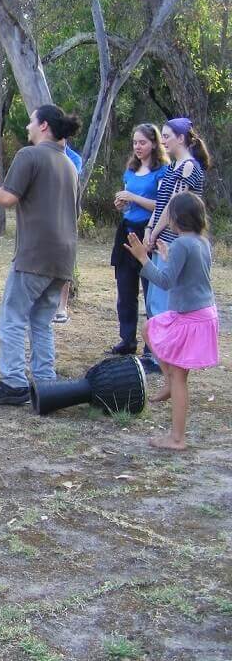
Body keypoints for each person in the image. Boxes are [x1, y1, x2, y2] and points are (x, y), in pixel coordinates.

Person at [0, 105, 80, 405]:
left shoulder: (29, 155)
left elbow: (7, 198)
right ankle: (46, 383)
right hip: (64, 257)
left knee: (11, 318)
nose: (28, 127)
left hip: (34, 255)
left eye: (31, 122)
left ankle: (14, 382)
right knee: (41, 321)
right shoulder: (70, 165)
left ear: (44, 125)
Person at [124, 192, 218, 450]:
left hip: (190, 318)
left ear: (177, 219)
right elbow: (188, 273)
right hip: (201, 315)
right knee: (150, 328)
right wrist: (166, 257)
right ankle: (167, 383)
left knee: (180, 378)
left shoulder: (182, 244)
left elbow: (166, 281)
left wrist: (143, 257)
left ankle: (177, 438)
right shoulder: (201, 242)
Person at [108, 124, 169, 355]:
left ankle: (152, 348)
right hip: (127, 230)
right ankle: (127, 340)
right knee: (125, 289)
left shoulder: (162, 171)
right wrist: (121, 203)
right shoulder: (131, 169)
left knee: (150, 291)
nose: (138, 147)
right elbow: (127, 200)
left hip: (149, 232)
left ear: (154, 143)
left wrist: (133, 197)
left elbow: (161, 204)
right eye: (135, 143)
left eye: (142, 142)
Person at [145, 118, 211, 320]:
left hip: (172, 240)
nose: (163, 141)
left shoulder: (189, 167)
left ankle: (164, 351)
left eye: (167, 136)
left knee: (163, 304)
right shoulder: (173, 167)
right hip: (160, 239)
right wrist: (149, 229)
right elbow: (161, 202)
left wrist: (154, 233)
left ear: (181, 138)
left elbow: (173, 205)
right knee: (153, 301)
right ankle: (155, 351)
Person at [52, 145, 84, 324]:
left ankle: (61, 307)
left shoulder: (74, 159)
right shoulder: (39, 152)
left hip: (66, 217)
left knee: (64, 264)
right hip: (44, 219)